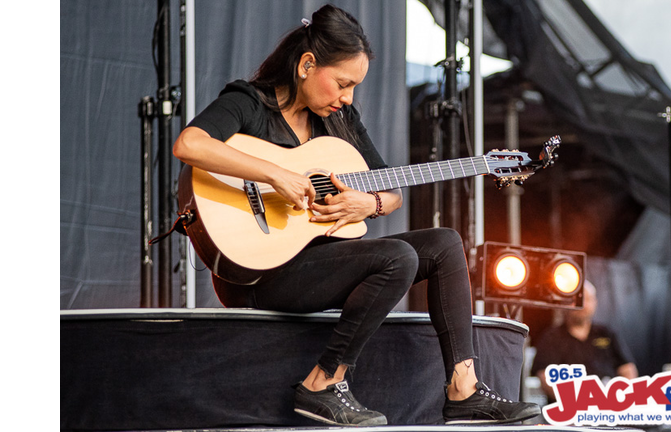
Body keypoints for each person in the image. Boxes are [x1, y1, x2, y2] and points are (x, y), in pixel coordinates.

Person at [173, 4, 540, 427]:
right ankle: (323, 383)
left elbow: (389, 185)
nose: (347, 98)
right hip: (257, 275)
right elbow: (190, 144)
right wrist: (276, 175)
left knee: (444, 243)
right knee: (397, 257)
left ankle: (464, 391)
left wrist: (372, 204)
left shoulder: (339, 119)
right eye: (343, 84)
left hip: (313, 263)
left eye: (353, 88)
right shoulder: (249, 103)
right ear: (308, 65)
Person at [531, 280, 639, 403]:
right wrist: (578, 403)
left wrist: (621, 398)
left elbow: (627, 369)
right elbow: (545, 377)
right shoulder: (551, 337)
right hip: (566, 413)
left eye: (587, 299)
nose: (582, 305)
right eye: (577, 299)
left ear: (595, 303)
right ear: (566, 303)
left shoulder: (607, 333)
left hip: (608, 411)